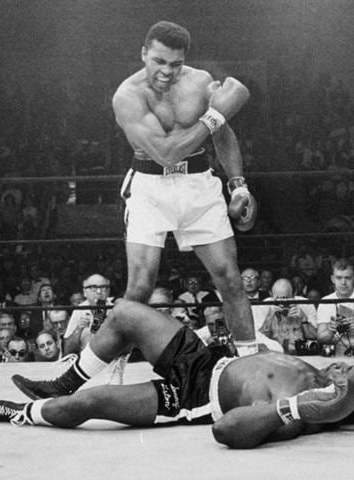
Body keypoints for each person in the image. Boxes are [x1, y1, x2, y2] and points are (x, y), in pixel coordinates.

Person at [0, 300, 354, 448]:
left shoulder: (301, 416)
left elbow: (226, 432)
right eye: (345, 362)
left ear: (341, 400)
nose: (337, 363)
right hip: (204, 357)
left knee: (84, 409)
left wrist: (295, 408)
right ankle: (62, 377)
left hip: (192, 397)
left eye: (344, 373)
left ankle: (18, 413)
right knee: (129, 313)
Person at [110, 20, 258, 359]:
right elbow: (164, 153)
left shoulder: (200, 81)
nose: (166, 71)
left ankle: (250, 364)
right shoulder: (128, 96)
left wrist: (238, 186)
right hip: (149, 186)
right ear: (144, 53)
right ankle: (113, 369)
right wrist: (215, 114)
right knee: (139, 287)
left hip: (199, 184)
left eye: (175, 64)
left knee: (230, 279)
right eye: (159, 61)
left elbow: (223, 135)